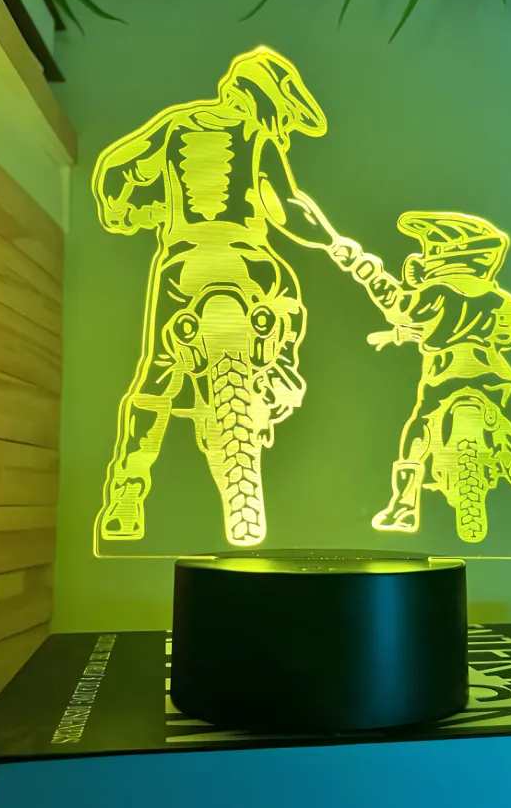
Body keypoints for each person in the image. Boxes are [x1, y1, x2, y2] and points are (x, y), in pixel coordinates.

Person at [93, 47, 368, 547]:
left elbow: (116, 167)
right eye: (283, 115)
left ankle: (125, 496)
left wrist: (123, 212)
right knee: (288, 297)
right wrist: (334, 243)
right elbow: (287, 207)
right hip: (249, 263)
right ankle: (279, 365)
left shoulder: (175, 126)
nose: (284, 127)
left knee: (155, 379)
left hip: (183, 266)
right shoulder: (257, 136)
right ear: (266, 102)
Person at [327, 212, 511, 535]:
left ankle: (404, 504)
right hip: (491, 372)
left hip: (444, 377)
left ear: (445, 255)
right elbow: (508, 333)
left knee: (418, 432)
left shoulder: (435, 293)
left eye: (431, 250)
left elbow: (398, 306)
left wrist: (365, 269)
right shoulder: (503, 301)